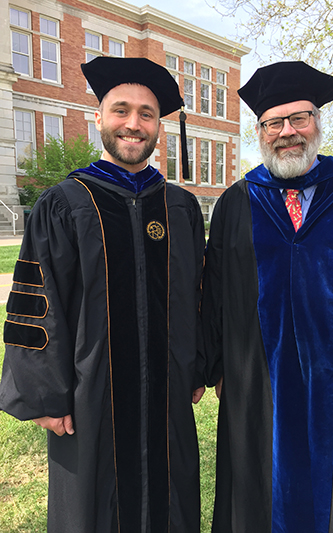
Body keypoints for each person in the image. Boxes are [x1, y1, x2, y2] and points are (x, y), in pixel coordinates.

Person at [0, 57, 205, 533]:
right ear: (98, 118)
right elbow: (36, 300)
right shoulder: (63, 204)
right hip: (89, 394)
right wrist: (47, 395)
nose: (133, 124)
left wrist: (198, 363)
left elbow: (199, 294)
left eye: (147, 114)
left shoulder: (180, 207)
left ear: (159, 126)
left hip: (167, 392)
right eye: (120, 110)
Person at [202, 61, 333, 533]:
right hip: (255, 382)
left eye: (299, 118)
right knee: (255, 487)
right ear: (260, 131)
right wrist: (214, 368)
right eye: (274, 122)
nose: (287, 132)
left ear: (317, 121)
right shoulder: (237, 200)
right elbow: (214, 293)